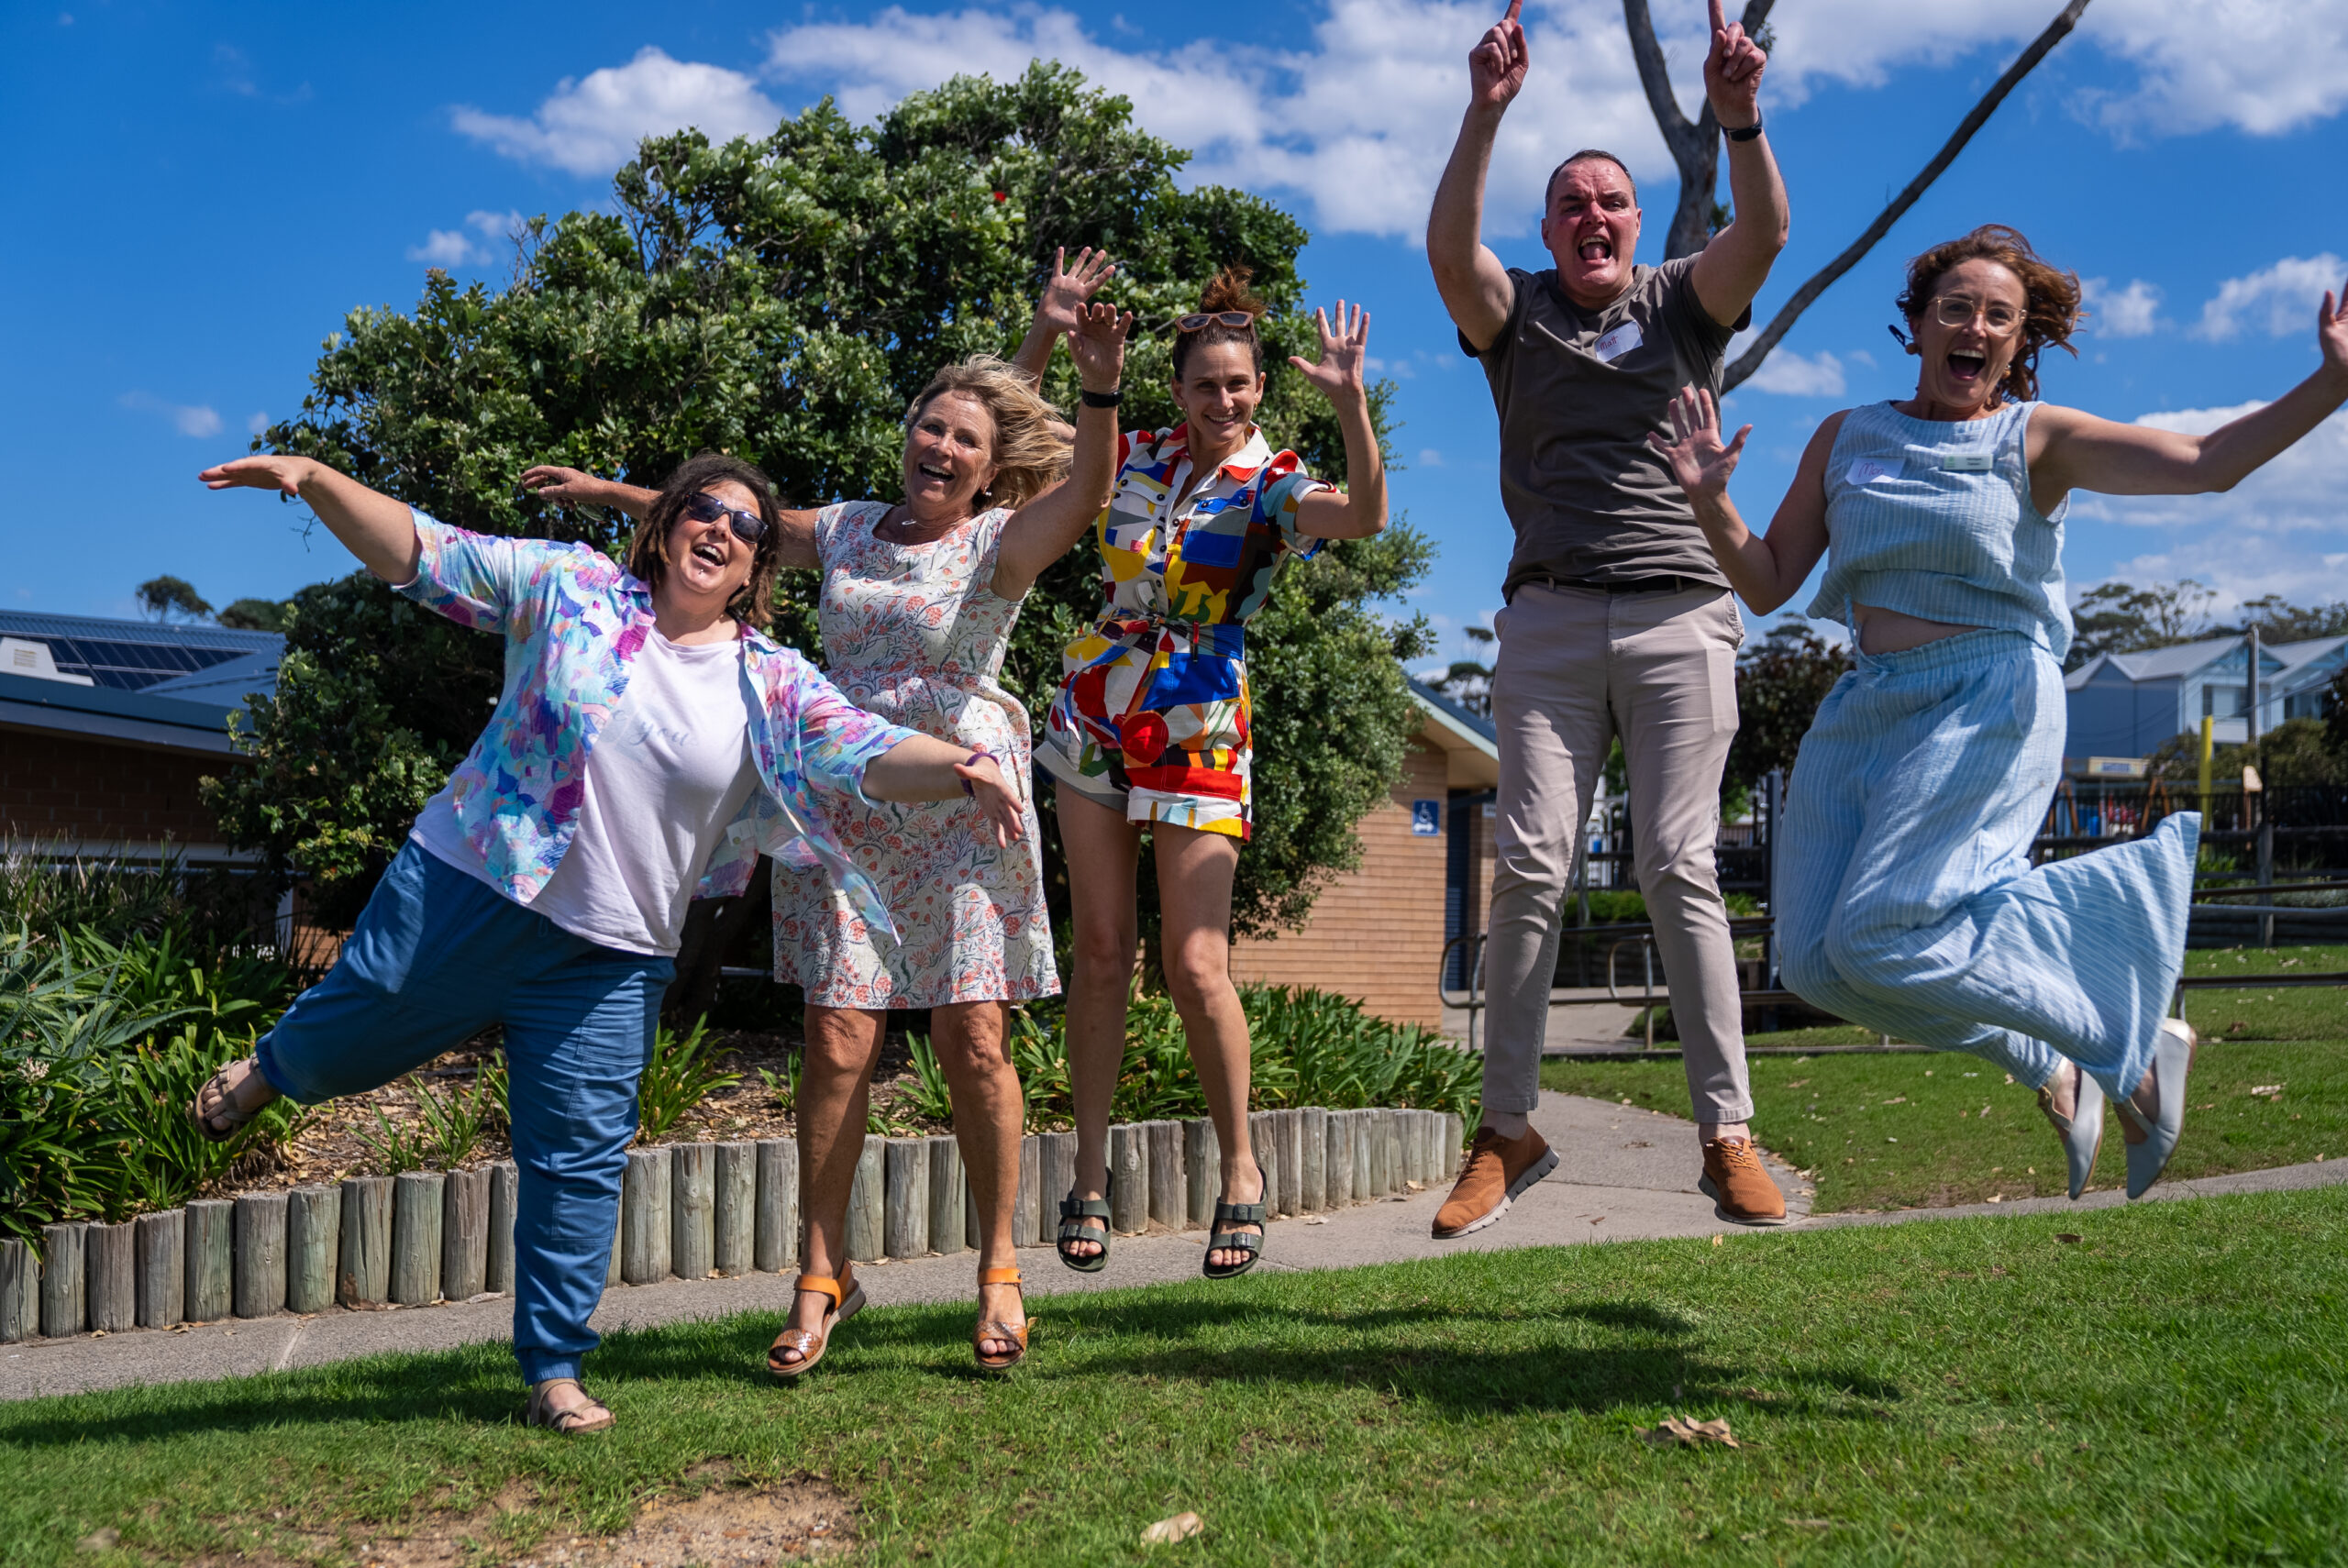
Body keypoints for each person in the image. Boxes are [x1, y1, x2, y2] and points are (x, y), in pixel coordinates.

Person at [188, 450, 1027, 1428]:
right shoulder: (574, 589)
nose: (720, 529)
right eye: (702, 510)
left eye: (747, 525)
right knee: (366, 1005)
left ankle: (554, 1372)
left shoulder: (772, 681)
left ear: (758, 567)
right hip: (475, 880)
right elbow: (428, 552)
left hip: (614, 951)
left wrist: (966, 764)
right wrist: (314, 478)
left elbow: (870, 752)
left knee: (580, 1158)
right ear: (667, 526)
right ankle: (272, 1071)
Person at [1649, 227, 2348, 1199]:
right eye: (1954, 307)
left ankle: (2132, 1031)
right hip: (1865, 706)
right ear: (1916, 325)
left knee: (1880, 931)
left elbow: (2202, 461)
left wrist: (2329, 386)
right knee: (1813, 959)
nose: (1973, 327)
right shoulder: (1846, 434)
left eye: (1997, 317)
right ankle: (2060, 1065)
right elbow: (1765, 582)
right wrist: (1708, 504)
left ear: (2019, 344)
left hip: (1987, 693)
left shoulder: (2034, 439)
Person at [521, 293, 1134, 1375]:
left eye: (966, 440)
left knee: (972, 1041)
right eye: (930, 426)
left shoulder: (1000, 540)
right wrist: (611, 494)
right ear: (908, 435)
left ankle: (997, 1269)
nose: (940, 448)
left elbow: (1086, 490)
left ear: (992, 471)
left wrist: (1097, 382)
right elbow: (736, 522)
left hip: (961, 802)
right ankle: (822, 1275)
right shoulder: (847, 529)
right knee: (836, 1043)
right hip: (844, 801)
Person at [1424, 0, 1790, 1233]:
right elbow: (1446, 251)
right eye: (1572, 202)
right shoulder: (1514, 316)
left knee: (1677, 862)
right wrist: (1485, 111)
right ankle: (1507, 1129)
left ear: (1639, 227)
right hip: (1547, 624)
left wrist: (1737, 121)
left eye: (1612, 202)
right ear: (1548, 229)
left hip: (1684, 613)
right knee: (1528, 863)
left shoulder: (1683, 301)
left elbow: (1769, 232)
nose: (1593, 214)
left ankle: (1726, 1134)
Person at [1022, 267, 1388, 1277]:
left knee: (1193, 963)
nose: (1221, 402)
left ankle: (1240, 1174)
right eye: (1204, 386)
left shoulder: (1272, 482)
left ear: (1261, 388)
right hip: (1097, 706)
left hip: (1201, 721)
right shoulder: (1130, 452)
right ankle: (1088, 1177)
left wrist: (1352, 405)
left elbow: (1361, 519)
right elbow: (1012, 441)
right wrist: (1052, 337)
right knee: (1098, 949)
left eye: (1238, 385)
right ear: (1176, 392)